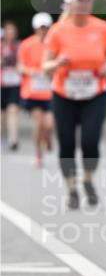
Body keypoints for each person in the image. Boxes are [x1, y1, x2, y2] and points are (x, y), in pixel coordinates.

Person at [42, 0, 106, 209]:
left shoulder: (102, 27)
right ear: (69, 4)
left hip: (95, 93)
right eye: (80, 0)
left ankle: (87, 180)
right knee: (66, 143)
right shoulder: (58, 30)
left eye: (87, 0)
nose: (84, 4)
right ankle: (72, 189)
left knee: (90, 141)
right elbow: (45, 66)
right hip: (64, 94)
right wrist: (57, 63)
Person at [18, 12, 55, 167]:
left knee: (49, 125)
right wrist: (31, 71)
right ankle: (38, 154)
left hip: (51, 91)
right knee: (39, 123)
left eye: (45, 27)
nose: (43, 30)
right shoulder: (26, 44)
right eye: (40, 28)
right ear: (35, 28)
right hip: (32, 91)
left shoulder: (54, 44)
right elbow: (20, 66)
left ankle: (47, 137)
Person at [1, 21, 21, 150]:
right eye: (8, 31)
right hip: (2, 82)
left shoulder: (19, 46)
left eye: (12, 31)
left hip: (14, 82)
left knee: (13, 110)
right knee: (2, 113)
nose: (10, 34)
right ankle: (2, 137)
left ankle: (13, 139)